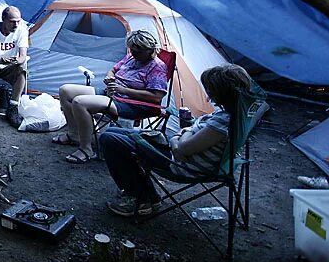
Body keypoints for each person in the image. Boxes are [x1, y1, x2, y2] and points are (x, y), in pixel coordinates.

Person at [99, 64, 252, 217]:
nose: (208, 96)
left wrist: (180, 135)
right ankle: (150, 196)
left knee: (109, 139)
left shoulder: (223, 123)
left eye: (211, 91)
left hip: (183, 165)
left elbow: (182, 150)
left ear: (222, 94)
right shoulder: (237, 115)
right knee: (114, 131)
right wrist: (186, 133)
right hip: (183, 155)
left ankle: (140, 199)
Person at [51, 30, 167, 164]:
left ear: (150, 50)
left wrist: (123, 90)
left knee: (80, 102)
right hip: (113, 93)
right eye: (132, 50)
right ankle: (74, 134)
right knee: (65, 90)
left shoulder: (157, 67)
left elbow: (156, 97)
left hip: (131, 103)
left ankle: (86, 149)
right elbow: (114, 70)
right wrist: (110, 78)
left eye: (138, 51)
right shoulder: (132, 57)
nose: (134, 54)